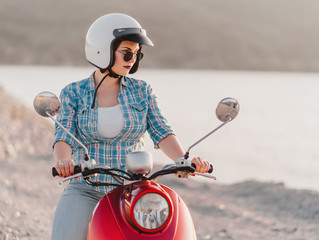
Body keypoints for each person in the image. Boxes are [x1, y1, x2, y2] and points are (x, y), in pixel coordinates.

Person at [51, 13, 211, 240]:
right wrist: (63, 162)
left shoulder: (142, 91)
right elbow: (63, 135)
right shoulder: (73, 92)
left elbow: (161, 131)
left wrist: (184, 160)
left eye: (137, 54)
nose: (132, 59)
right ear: (102, 50)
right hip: (86, 189)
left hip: (134, 191)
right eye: (127, 53)